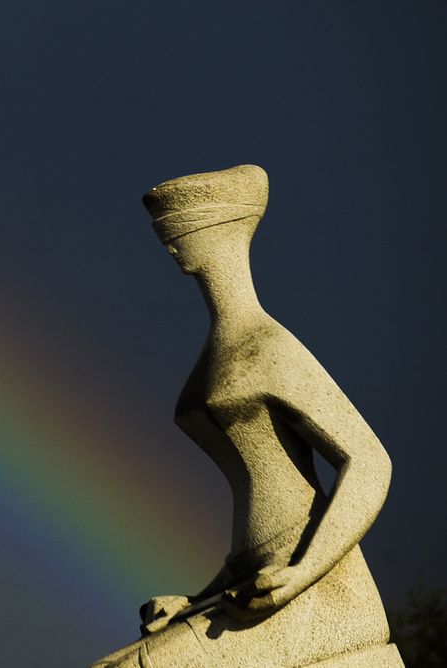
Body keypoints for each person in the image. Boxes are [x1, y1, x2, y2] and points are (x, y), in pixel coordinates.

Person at [90, 165, 402, 667]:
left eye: (180, 231)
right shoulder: (218, 354)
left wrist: (304, 572)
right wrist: (197, 599)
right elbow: (257, 530)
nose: (170, 246)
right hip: (251, 580)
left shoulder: (270, 347)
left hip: (319, 593)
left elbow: (369, 461)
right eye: (165, 237)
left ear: (219, 231)